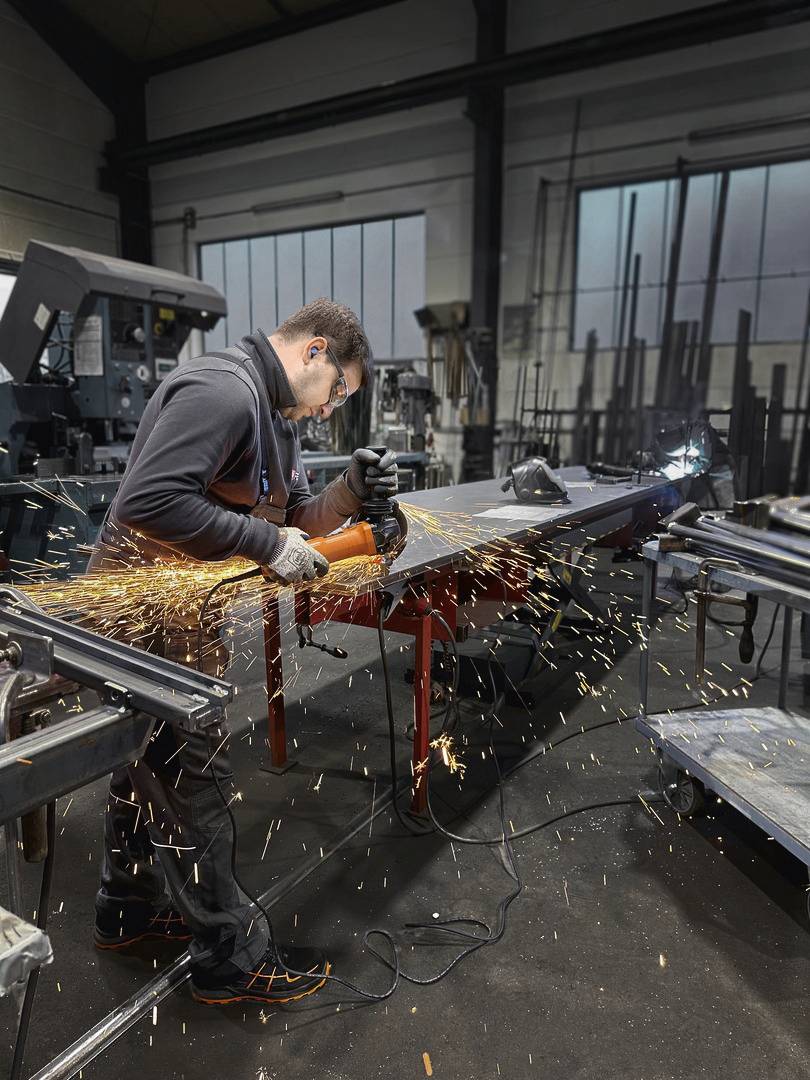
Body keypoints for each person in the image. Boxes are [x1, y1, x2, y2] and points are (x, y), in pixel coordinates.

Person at [88, 299, 398, 1006]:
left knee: (146, 764)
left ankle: (125, 907)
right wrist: (265, 544)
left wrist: (348, 492)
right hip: (142, 615)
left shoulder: (275, 417)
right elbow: (147, 501)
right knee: (193, 770)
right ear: (314, 351)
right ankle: (228, 958)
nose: (328, 409)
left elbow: (294, 519)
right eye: (337, 390)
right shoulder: (223, 392)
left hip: (182, 612)